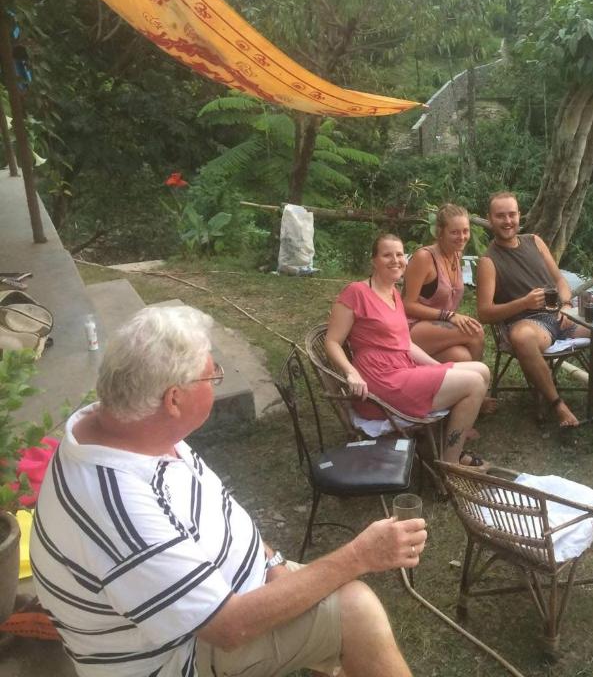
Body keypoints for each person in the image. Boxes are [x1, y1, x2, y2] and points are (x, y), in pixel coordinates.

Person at [30, 305, 424, 677]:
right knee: (358, 611)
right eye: (211, 373)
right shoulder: (117, 504)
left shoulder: (132, 427)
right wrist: (359, 555)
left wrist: (273, 564)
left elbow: (218, 513)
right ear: (174, 399)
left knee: (341, 607)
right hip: (177, 657)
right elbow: (227, 627)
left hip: (220, 603)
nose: (218, 376)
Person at [476, 192, 593, 427]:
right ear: (490, 219)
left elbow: (560, 281)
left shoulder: (534, 241)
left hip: (564, 315)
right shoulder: (489, 261)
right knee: (521, 336)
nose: (507, 221)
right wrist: (523, 303)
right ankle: (558, 405)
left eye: (512, 214)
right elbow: (484, 313)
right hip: (532, 323)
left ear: (519, 215)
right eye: (500, 216)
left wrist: (566, 306)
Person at [326, 233, 490, 467]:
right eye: (387, 255)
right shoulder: (356, 292)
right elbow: (332, 341)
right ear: (374, 260)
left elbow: (406, 343)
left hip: (402, 368)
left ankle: (445, 442)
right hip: (380, 380)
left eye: (400, 255)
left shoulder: (393, 293)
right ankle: (451, 463)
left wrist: (438, 367)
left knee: (481, 370)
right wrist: (350, 372)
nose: (395, 260)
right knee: (473, 383)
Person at [403, 203, 485, 362]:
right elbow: (407, 305)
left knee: (462, 357)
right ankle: (481, 382)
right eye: (454, 232)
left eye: (465, 231)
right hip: (413, 327)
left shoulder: (456, 254)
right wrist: (448, 316)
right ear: (440, 232)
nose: (462, 237)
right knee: (475, 331)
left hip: (437, 327)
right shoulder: (424, 258)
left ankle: (461, 383)